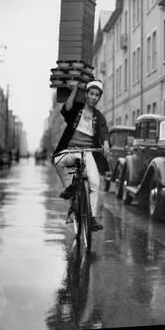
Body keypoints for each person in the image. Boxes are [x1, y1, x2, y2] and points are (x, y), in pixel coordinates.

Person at [53, 80, 110, 232]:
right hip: (70, 150)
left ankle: (91, 220)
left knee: (95, 183)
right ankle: (69, 188)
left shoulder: (99, 116)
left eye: (97, 95)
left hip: (88, 152)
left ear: (99, 98)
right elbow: (66, 110)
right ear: (86, 94)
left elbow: (104, 131)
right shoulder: (77, 109)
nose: (93, 97)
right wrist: (74, 90)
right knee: (57, 161)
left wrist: (106, 144)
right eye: (91, 93)